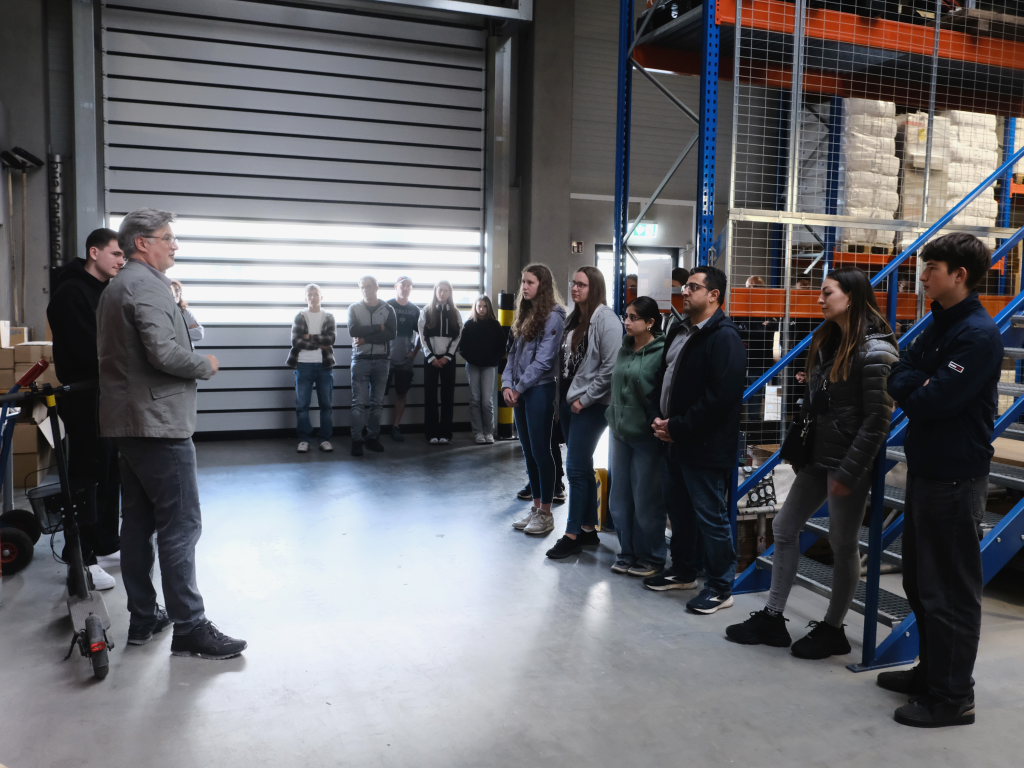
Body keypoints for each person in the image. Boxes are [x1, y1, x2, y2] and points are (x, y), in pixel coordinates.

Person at [725, 267, 898, 658]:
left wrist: (849, 473)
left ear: (851, 297)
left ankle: (833, 629)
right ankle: (773, 617)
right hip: (819, 458)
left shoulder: (876, 351)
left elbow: (877, 421)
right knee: (785, 527)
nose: (819, 299)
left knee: (842, 542)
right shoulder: (831, 339)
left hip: (847, 464)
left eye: (827, 292)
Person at [97, 208, 246, 659]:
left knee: (138, 523)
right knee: (181, 525)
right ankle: (190, 627)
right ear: (143, 243)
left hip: (130, 422)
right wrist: (205, 364)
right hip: (158, 424)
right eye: (168, 238)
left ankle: (145, 616)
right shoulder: (145, 286)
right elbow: (163, 352)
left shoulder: (117, 286)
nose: (175, 245)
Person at [881, 233, 1002, 728]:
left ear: (960, 275)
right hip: (928, 471)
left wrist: (917, 383)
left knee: (949, 591)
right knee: (920, 582)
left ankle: (953, 697)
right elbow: (900, 373)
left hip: (955, 478)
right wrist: (918, 381)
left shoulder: (977, 335)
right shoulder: (940, 322)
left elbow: (933, 401)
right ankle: (932, 674)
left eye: (932, 267)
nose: (923, 275)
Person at [647, 266, 746, 614]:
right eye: (685, 286)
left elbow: (721, 398)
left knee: (710, 516)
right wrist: (658, 418)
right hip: (673, 439)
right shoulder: (680, 329)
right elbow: (664, 377)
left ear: (714, 295)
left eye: (692, 287)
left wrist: (678, 426)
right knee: (680, 511)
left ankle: (721, 587)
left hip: (704, 445)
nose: (684, 292)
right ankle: (683, 571)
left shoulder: (725, 338)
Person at [46, 227, 126, 591]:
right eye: (116, 254)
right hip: (83, 397)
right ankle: (82, 557)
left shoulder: (104, 290)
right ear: (95, 252)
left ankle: (106, 542)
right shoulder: (71, 292)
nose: (121, 261)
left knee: (110, 470)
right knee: (87, 474)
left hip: (108, 395)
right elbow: (87, 349)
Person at [546, 267, 622, 559]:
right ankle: (589, 528)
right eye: (573, 283)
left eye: (582, 284)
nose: (575, 288)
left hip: (591, 404)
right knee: (582, 465)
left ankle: (572, 534)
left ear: (595, 288)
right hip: (569, 399)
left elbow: (610, 367)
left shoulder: (606, 319)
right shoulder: (574, 318)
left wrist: (586, 400)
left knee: (576, 468)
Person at [606, 296, 668, 576]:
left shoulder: (661, 352)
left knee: (646, 499)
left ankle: (652, 557)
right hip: (619, 432)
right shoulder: (624, 348)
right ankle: (626, 552)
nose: (627, 322)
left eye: (633, 318)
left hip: (645, 436)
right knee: (619, 499)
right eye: (626, 316)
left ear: (650, 322)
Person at [504, 264, 566, 536]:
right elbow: (512, 354)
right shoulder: (526, 313)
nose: (524, 287)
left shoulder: (554, 317)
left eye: (530, 282)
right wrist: (507, 384)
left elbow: (544, 361)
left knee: (541, 450)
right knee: (528, 451)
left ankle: (546, 513)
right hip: (520, 389)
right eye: (523, 282)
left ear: (543, 285)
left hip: (539, 389)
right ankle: (536, 507)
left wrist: (518, 388)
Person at [348, 276, 397, 456]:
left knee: (377, 403)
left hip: (382, 361)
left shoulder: (388, 309)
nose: (366, 290)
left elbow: (391, 334)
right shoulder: (354, 308)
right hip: (360, 360)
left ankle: (372, 438)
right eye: (362, 287)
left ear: (377, 287)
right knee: (359, 403)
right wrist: (378, 327)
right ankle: (357, 440)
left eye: (369, 286)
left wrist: (366, 339)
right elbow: (353, 330)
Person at [286, 284, 337, 454]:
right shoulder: (300, 316)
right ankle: (304, 439)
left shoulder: (328, 317)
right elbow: (296, 341)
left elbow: (331, 339)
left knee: (326, 405)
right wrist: (319, 341)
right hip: (303, 364)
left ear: (321, 297)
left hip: (324, 366)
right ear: (305, 298)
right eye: (310, 294)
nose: (313, 297)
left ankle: (325, 439)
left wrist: (308, 337)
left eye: (316, 294)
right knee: (302, 405)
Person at [418, 280, 462, 444]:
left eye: (446, 290)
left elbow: (459, 335)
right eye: (440, 290)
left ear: (450, 293)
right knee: (430, 396)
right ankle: (431, 433)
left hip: (448, 360)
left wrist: (447, 356)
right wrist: (431, 357)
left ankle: (445, 433)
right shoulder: (426, 311)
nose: (442, 293)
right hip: (431, 360)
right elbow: (422, 336)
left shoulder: (455, 312)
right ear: (435, 291)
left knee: (447, 396)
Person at [459, 294, 507, 444]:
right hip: (472, 365)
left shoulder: (495, 325)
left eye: (484, 306)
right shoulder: (469, 325)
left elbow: (502, 346)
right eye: (479, 306)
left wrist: (494, 359)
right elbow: (462, 347)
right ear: (475, 307)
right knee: (475, 399)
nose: (481, 309)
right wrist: (471, 358)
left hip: (489, 366)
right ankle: (478, 432)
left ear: (488, 308)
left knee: (487, 401)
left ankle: (488, 432)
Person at [386, 276, 420, 441]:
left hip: (405, 360)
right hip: (385, 359)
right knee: (376, 395)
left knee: (401, 394)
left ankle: (396, 426)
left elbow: (422, 334)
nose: (405, 288)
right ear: (396, 287)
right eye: (402, 285)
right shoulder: (387, 306)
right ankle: (372, 429)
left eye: (408, 285)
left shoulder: (415, 310)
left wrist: (414, 352)